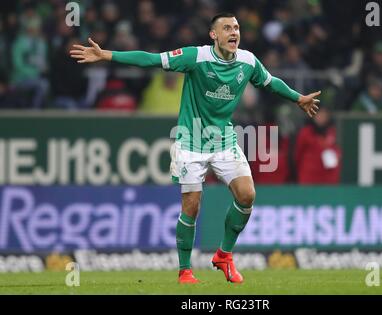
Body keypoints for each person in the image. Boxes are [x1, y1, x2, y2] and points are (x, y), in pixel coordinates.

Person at [70, 13, 320, 284]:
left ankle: (224, 255)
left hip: (224, 140)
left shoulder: (247, 61)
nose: (233, 32)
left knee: (247, 195)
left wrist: (298, 98)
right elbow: (153, 59)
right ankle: (185, 271)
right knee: (192, 205)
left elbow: (271, 82)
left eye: (236, 28)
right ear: (214, 35)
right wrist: (108, 55)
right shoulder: (196, 57)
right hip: (190, 141)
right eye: (226, 28)